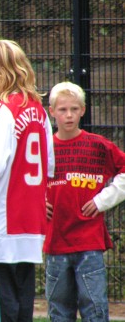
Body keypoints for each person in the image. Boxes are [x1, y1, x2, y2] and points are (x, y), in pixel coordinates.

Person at [0, 39, 55, 322]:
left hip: (0, 218)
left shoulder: (3, 108)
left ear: (4, 71)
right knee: (23, 299)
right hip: (30, 219)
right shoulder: (39, 109)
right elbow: (50, 164)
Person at [44, 81, 125, 321]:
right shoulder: (43, 147)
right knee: (59, 311)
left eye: (74, 109)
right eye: (62, 109)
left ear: (83, 110)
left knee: (95, 309)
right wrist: (36, 203)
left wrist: (104, 200)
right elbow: (25, 179)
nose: (68, 115)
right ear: (51, 111)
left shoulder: (98, 145)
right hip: (56, 242)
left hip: (90, 242)